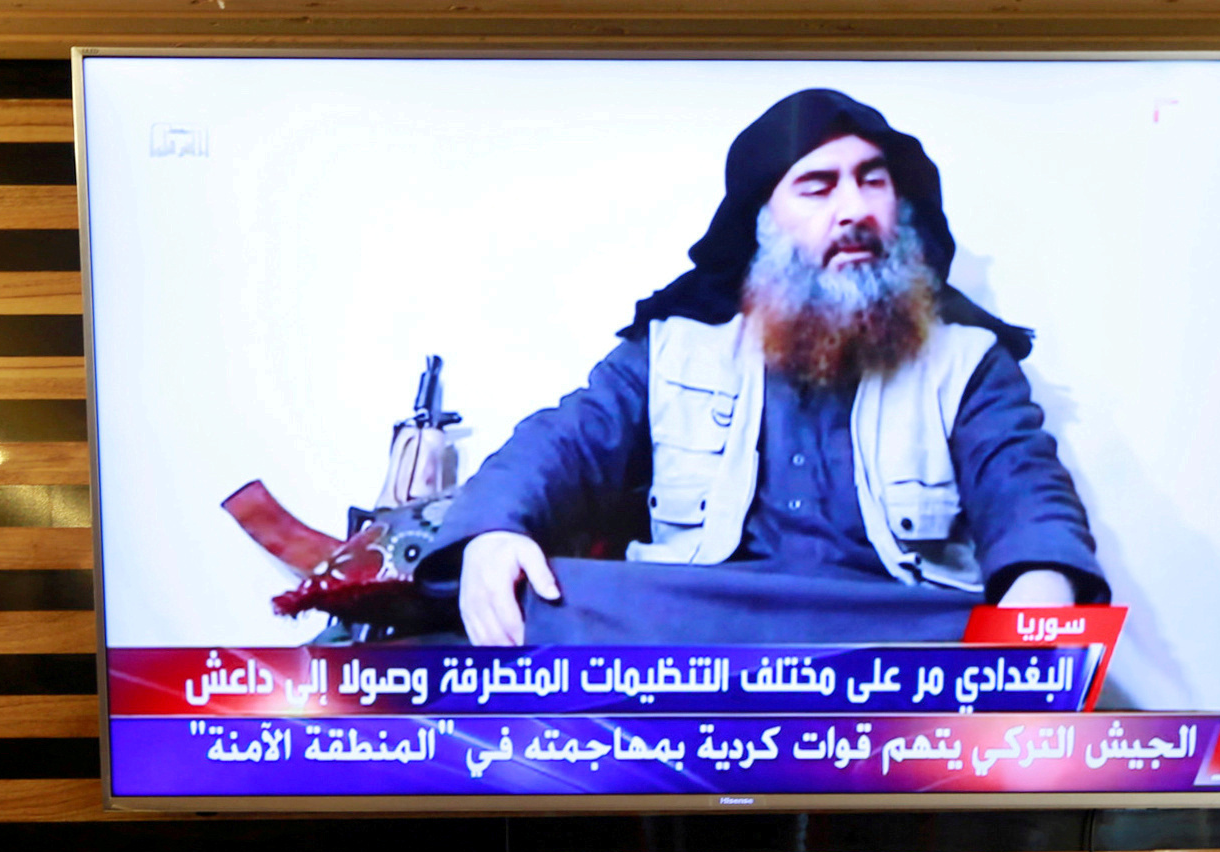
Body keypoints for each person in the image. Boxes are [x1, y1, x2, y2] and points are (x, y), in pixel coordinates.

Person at [424, 88, 1108, 646]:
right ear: (763, 226)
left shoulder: (965, 364)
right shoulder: (672, 352)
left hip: (889, 632)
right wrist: (493, 532)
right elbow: (560, 442)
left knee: (988, 628)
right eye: (817, 188)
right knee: (548, 593)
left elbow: (1024, 488)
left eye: (872, 182)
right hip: (705, 626)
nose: (855, 210)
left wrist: (1039, 588)